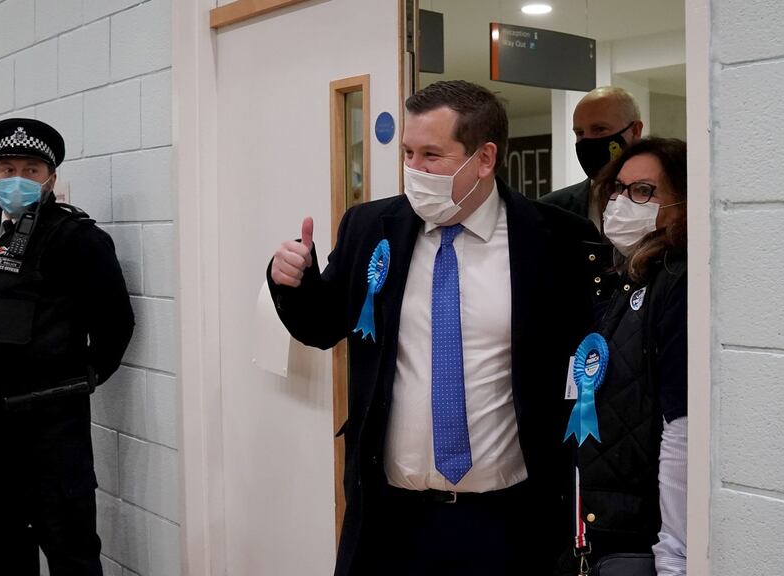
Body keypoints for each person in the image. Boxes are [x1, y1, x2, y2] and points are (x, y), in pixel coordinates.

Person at [268, 80, 601, 576]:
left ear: (484, 159)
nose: (413, 170)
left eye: (431, 155)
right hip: (392, 517)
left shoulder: (557, 240)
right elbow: (321, 326)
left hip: (508, 519)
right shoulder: (370, 227)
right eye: (407, 152)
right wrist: (291, 281)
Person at [0, 118, 135, 575]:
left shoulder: (76, 239)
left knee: (69, 546)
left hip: (50, 427)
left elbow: (115, 325)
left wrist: (74, 381)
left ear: (51, 178)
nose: (18, 179)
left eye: (31, 169)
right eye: (7, 169)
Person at [558, 138, 687, 576]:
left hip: (642, 542)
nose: (623, 201)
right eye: (619, 188)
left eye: (644, 191)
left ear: (683, 202)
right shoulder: (623, 282)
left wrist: (676, 557)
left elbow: (682, 432)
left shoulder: (676, 281)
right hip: (593, 534)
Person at [542, 86, 644, 232]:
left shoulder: (671, 201)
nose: (587, 141)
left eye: (600, 129)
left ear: (635, 131)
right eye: (580, 133)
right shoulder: (549, 210)